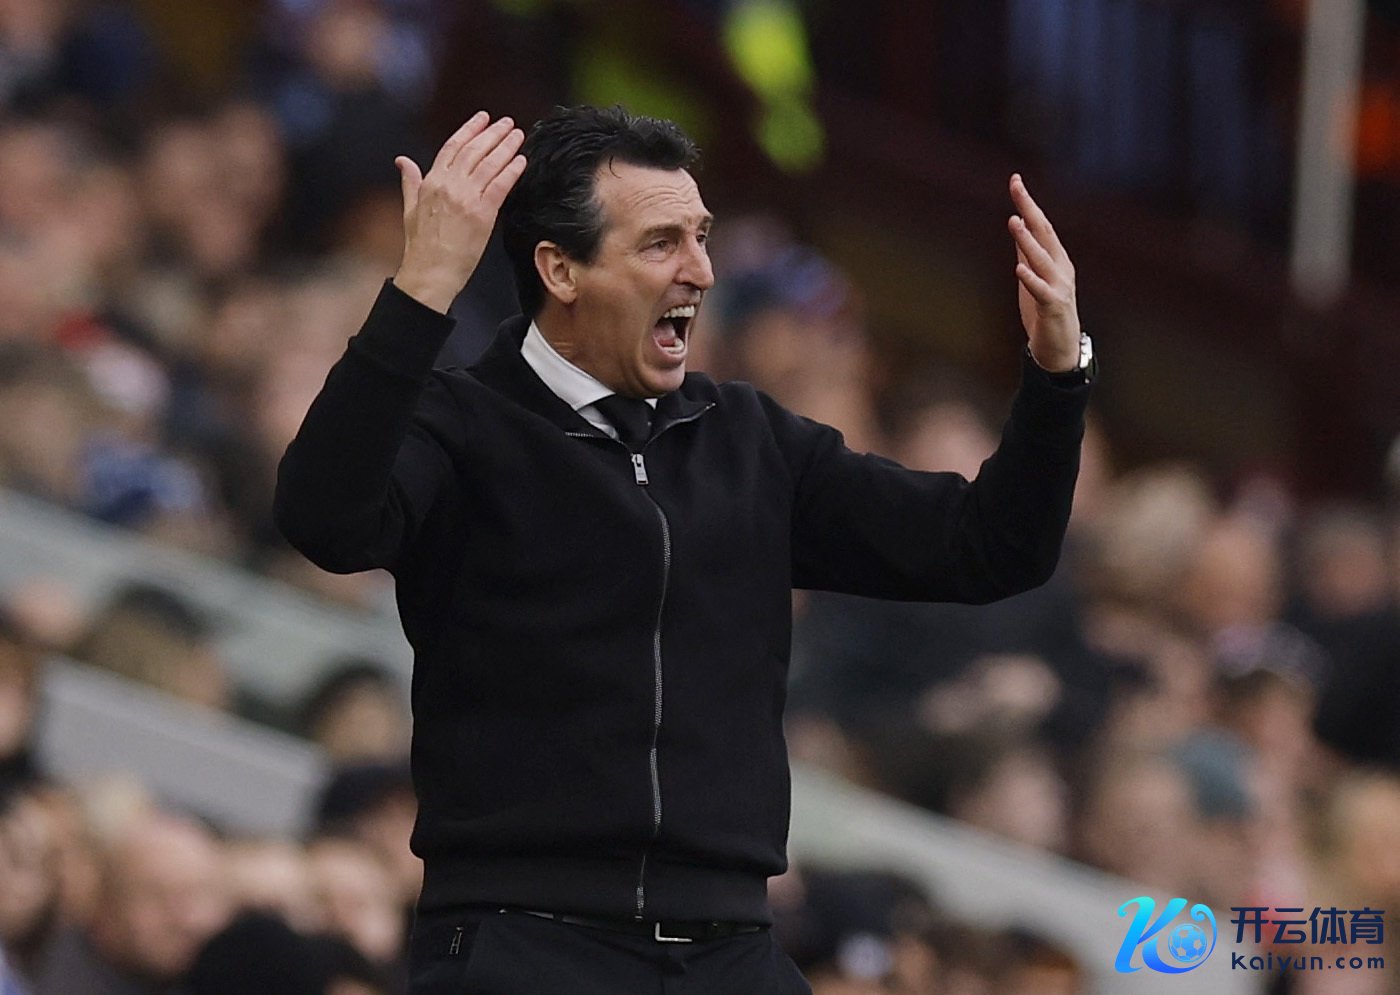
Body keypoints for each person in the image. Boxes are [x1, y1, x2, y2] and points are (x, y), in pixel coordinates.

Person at [274, 104, 1093, 994]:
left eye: (701, 237)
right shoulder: (462, 423)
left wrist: (1058, 377)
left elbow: (991, 547)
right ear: (561, 269)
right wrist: (420, 291)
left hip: (729, 947)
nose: (700, 270)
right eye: (662, 243)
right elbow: (324, 518)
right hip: (522, 942)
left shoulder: (749, 439)